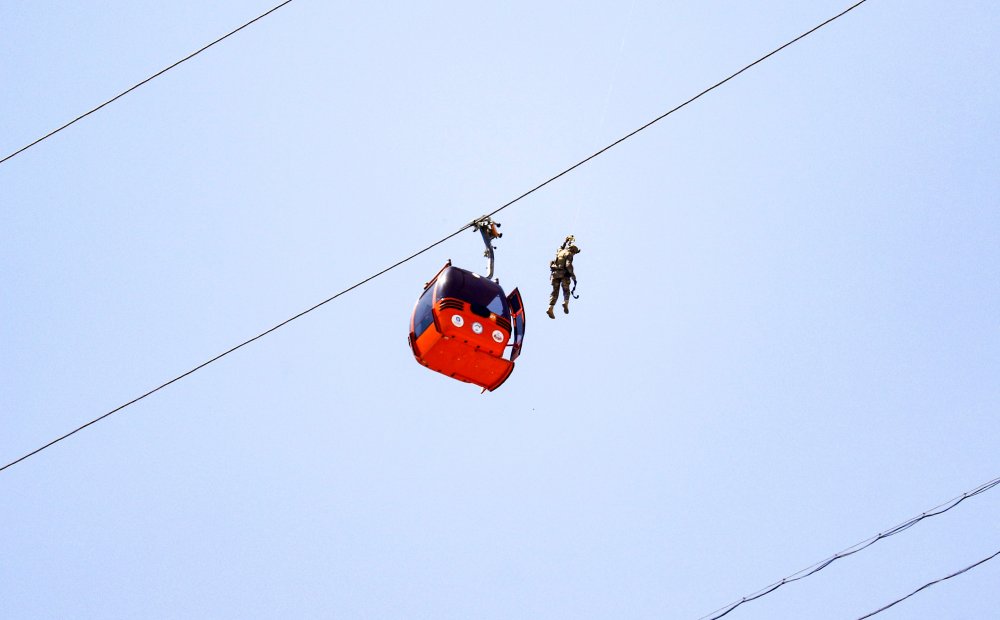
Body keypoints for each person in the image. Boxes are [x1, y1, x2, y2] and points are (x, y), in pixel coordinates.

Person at [547, 235, 580, 318]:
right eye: (575, 253)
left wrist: (565, 241)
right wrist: (573, 276)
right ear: (573, 251)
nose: (574, 254)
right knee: (566, 290)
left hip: (554, 274)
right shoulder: (569, 254)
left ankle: (550, 308)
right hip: (563, 275)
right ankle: (565, 303)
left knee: (555, 292)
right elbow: (568, 265)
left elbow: (560, 247)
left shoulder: (560, 251)